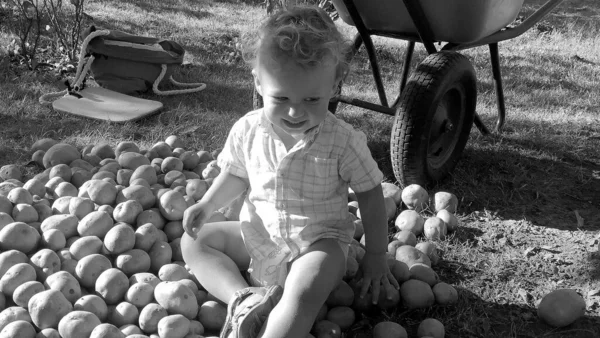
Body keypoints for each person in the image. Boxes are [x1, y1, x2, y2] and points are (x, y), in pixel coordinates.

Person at [181, 5, 399, 338]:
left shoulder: (343, 141)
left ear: (334, 85)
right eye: (281, 98)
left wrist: (375, 254)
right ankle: (243, 299)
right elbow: (237, 175)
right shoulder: (247, 129)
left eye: (312, 99)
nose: (296, 111)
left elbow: (370, 193)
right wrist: (208, 205)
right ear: (257, 81)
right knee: (194, 243)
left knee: (304, 289)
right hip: (259, 237)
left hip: (318, 244)